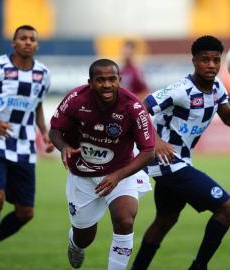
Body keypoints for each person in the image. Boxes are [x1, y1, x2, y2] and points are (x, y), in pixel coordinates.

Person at [131, 35, 230, 270]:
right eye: (205, 60)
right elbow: (140, 108)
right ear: (194, 61)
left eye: (215, 60)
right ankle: (199, 267)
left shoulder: (217, 88)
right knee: (228, 208)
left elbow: (228, 116)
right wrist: (156, 140)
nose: (211, 65)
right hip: (165, 161)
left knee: (165, 220)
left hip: (180, 161)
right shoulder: (181, 89)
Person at [49, 58, 155, 269]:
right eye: (100, 80)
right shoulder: (75, 99)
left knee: (124, 220)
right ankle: (75, 243)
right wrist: (63, 147)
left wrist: (117, 176)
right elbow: (54, 131)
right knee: (84, 237)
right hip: (83, 174)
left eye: (112, 79)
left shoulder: (133, 106)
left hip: (120, 171)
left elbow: (148, 152)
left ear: (119, 80)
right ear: (90, 82)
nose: (107, 85)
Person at [0, 25, 54, 270]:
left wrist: (44, 133)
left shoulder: (43, 73)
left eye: (31, 39)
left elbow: (37, 105)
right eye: (22, 38)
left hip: (24, 146)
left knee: (25, 213)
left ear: (37, 45)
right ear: (13, 43)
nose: (27, 42)